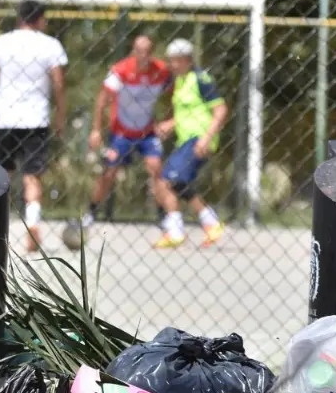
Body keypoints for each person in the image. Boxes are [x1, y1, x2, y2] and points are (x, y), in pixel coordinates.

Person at [0, 0, 68, 252]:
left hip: (5, 117)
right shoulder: (50, 45)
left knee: (1, 175)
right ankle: (34, 224)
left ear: (19, 17)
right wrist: (60, 114)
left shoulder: (1, 42)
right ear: (40, 19)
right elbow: (59, 83)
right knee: (32, 176)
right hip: (36, 119)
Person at [82, 35, 170, 229]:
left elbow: (174, 97)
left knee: (155, 168)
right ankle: (92, 211)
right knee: (109, 172)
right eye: (139, 51)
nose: (143, 56)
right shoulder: (120, 71)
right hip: (121, 131)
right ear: (133, 51)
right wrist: (96, 130)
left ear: (152, 52)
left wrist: (168, 121)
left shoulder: (162, 71)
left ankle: (163, 215)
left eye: (147, 52)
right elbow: (102, 101)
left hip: (147, 132)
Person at [152, 39, 228, 249]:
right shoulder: (180, 81)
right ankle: (209, 223)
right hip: (186, 139)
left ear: (187, 60)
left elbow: (220, 111)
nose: (174, 65)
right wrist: (170, 124)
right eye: (172, 61)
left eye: (178, 60)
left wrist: (206, 137)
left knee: (169, 180)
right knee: (175, 182)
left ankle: (179, 230)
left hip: (199, 138)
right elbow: (188, 112)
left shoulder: (201, 79)